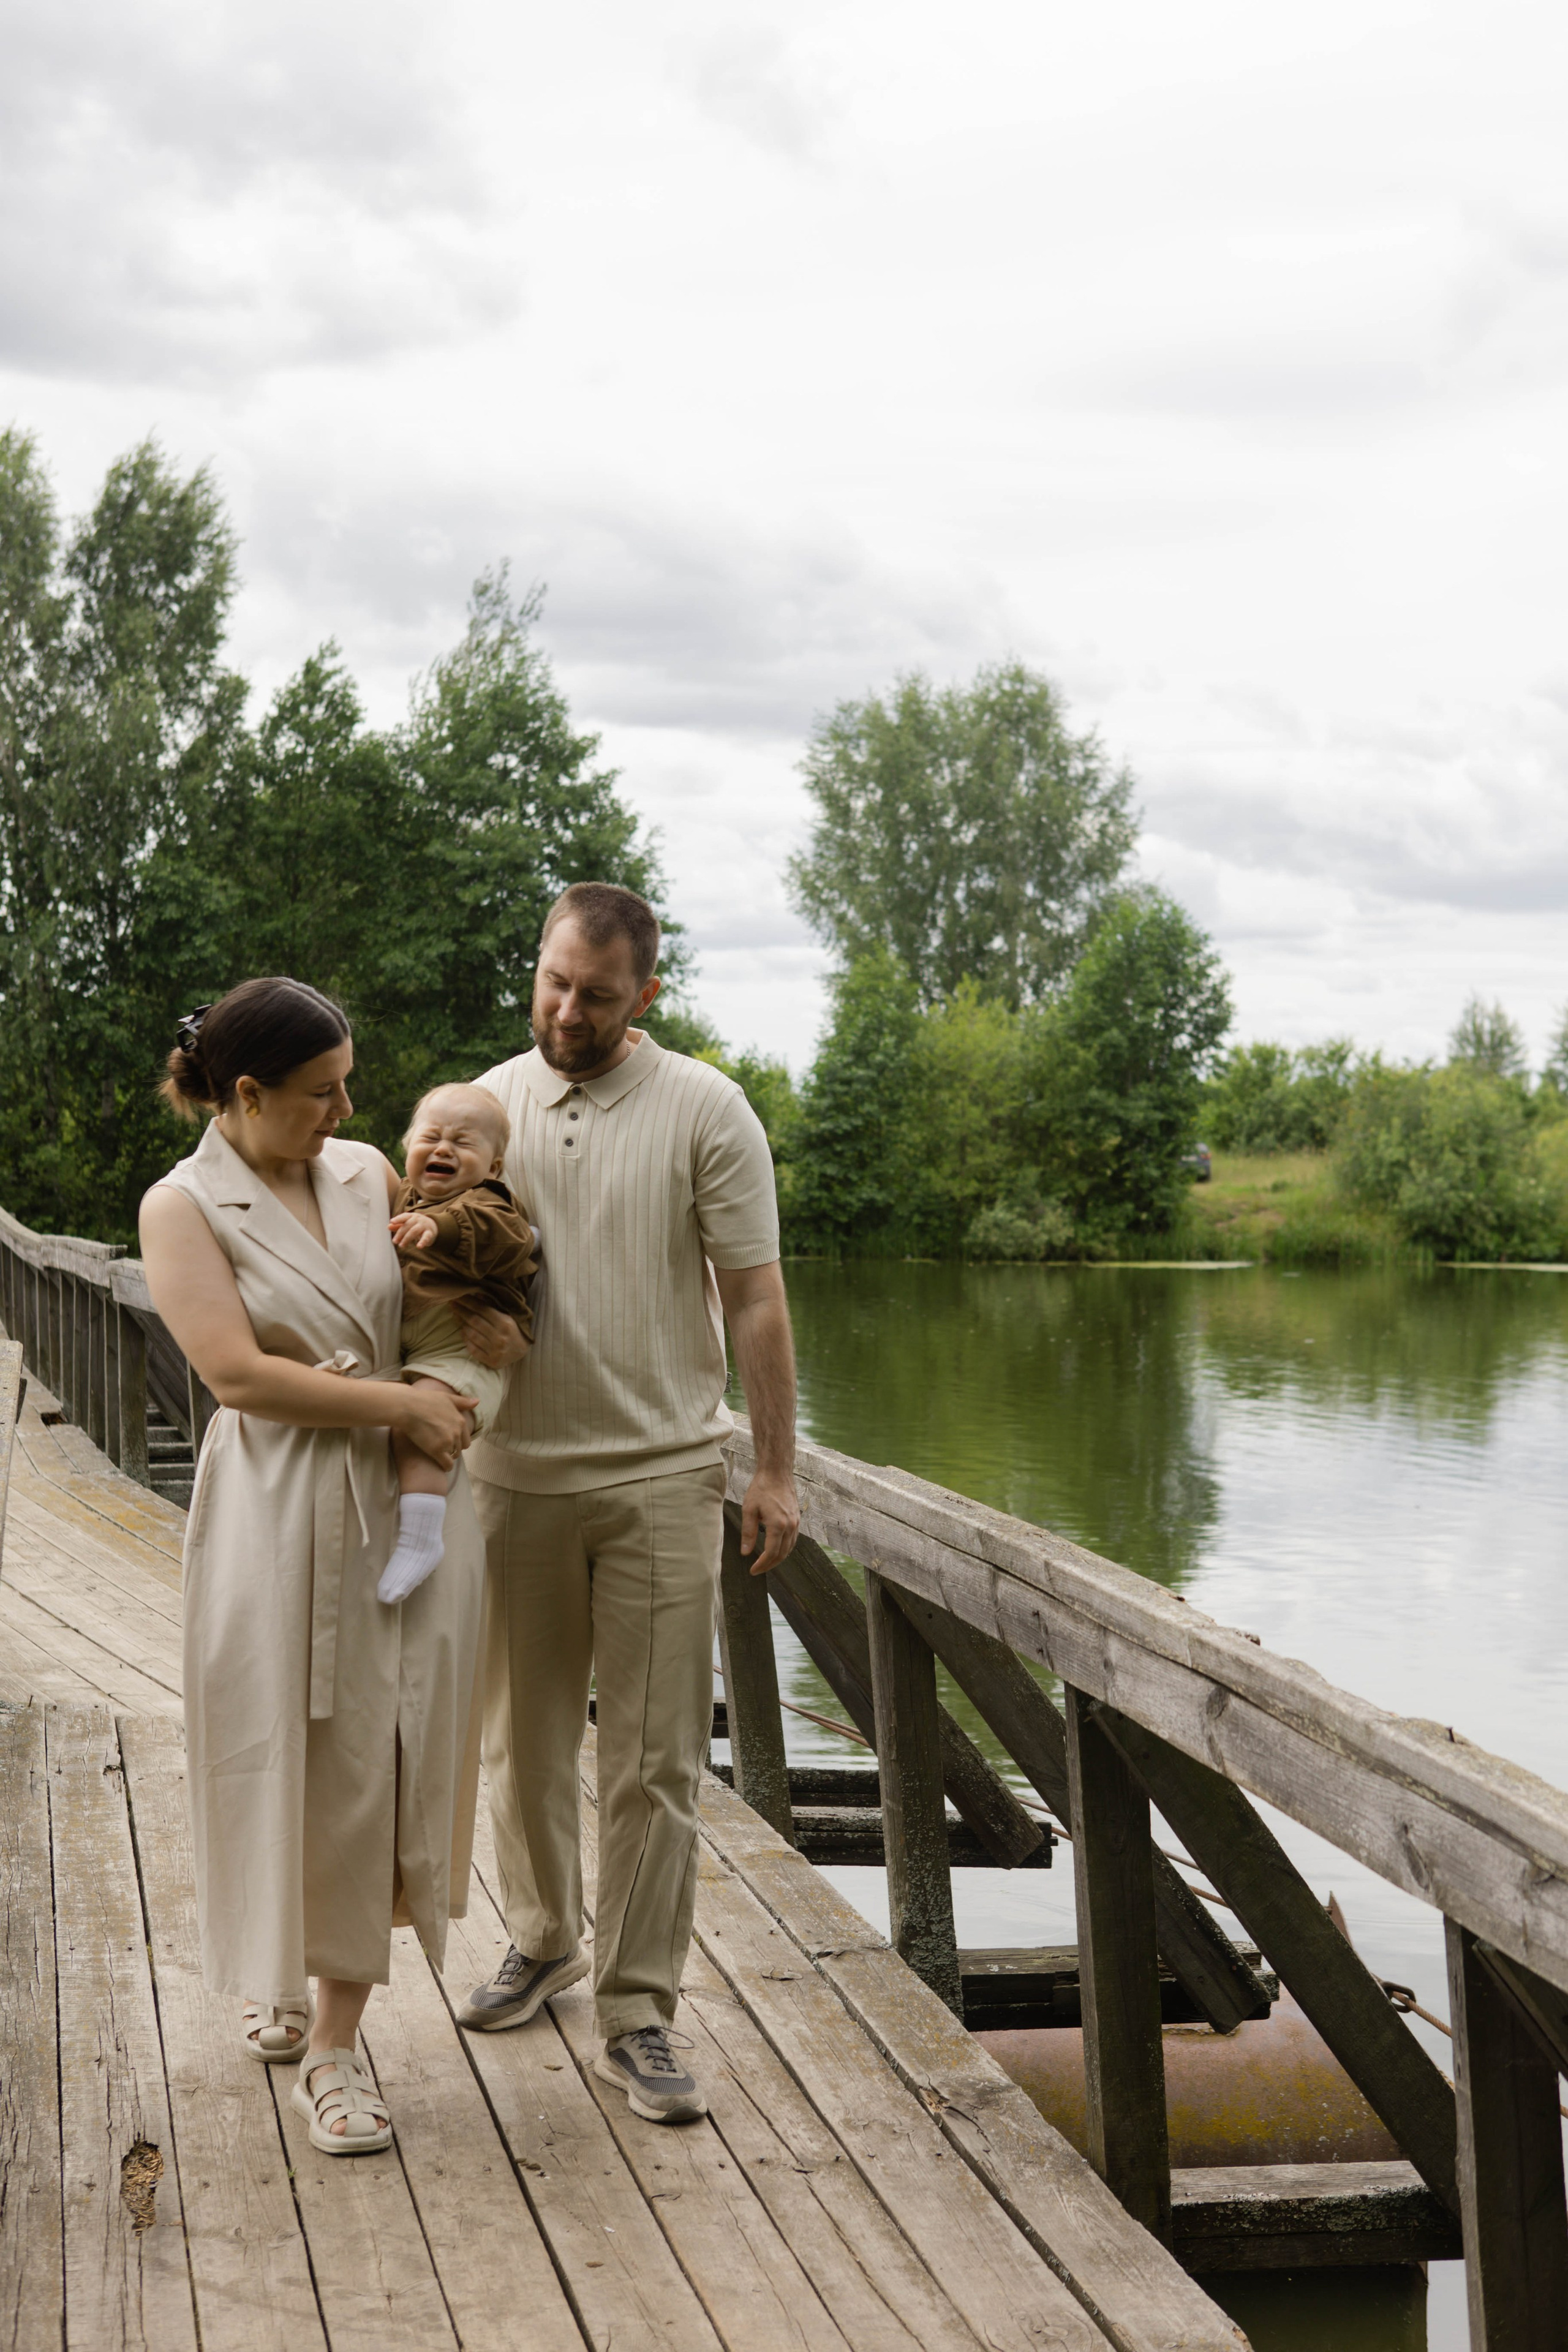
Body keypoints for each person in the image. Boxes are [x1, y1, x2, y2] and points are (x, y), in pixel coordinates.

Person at [453, 881, 800, 2125]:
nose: (567, 1010)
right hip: (512, 1476)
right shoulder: (484, 1106)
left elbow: (753, 1296)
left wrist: (773, 1467)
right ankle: (542, 1939)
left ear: (644, 994)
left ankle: (640, 2009)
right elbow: (427, 1265)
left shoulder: (706, 1108)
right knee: (519, 1741)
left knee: (652, 1760)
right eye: (553, 982)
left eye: (596, 996)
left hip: (658, 1474)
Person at [138, 978, 488, 2156]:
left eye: (350, 1085)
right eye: (323, 1092)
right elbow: (235, 1375)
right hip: (277, 1502)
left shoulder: (363, 1171)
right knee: (271, 1739)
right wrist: (394, 1402)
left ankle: (337, 2047)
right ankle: (275, 1970)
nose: (349, 1109)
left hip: (393, 1501)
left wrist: (454, 1392)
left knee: (377, 1756)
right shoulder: (183, 1206)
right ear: (248, 1094)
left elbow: (437, 1300)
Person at [380, 1082, 538, 1605]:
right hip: (411, 1345)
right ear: (408, 1148)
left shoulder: (491, 1204)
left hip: (463, 1349)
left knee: (422, 1423)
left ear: (494, 1167)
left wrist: (436, 1224)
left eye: (464, 1143)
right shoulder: (400, 1195)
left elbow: (500, 1234)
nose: (444, 1148)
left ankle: (420, 1539)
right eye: (432, 1136)